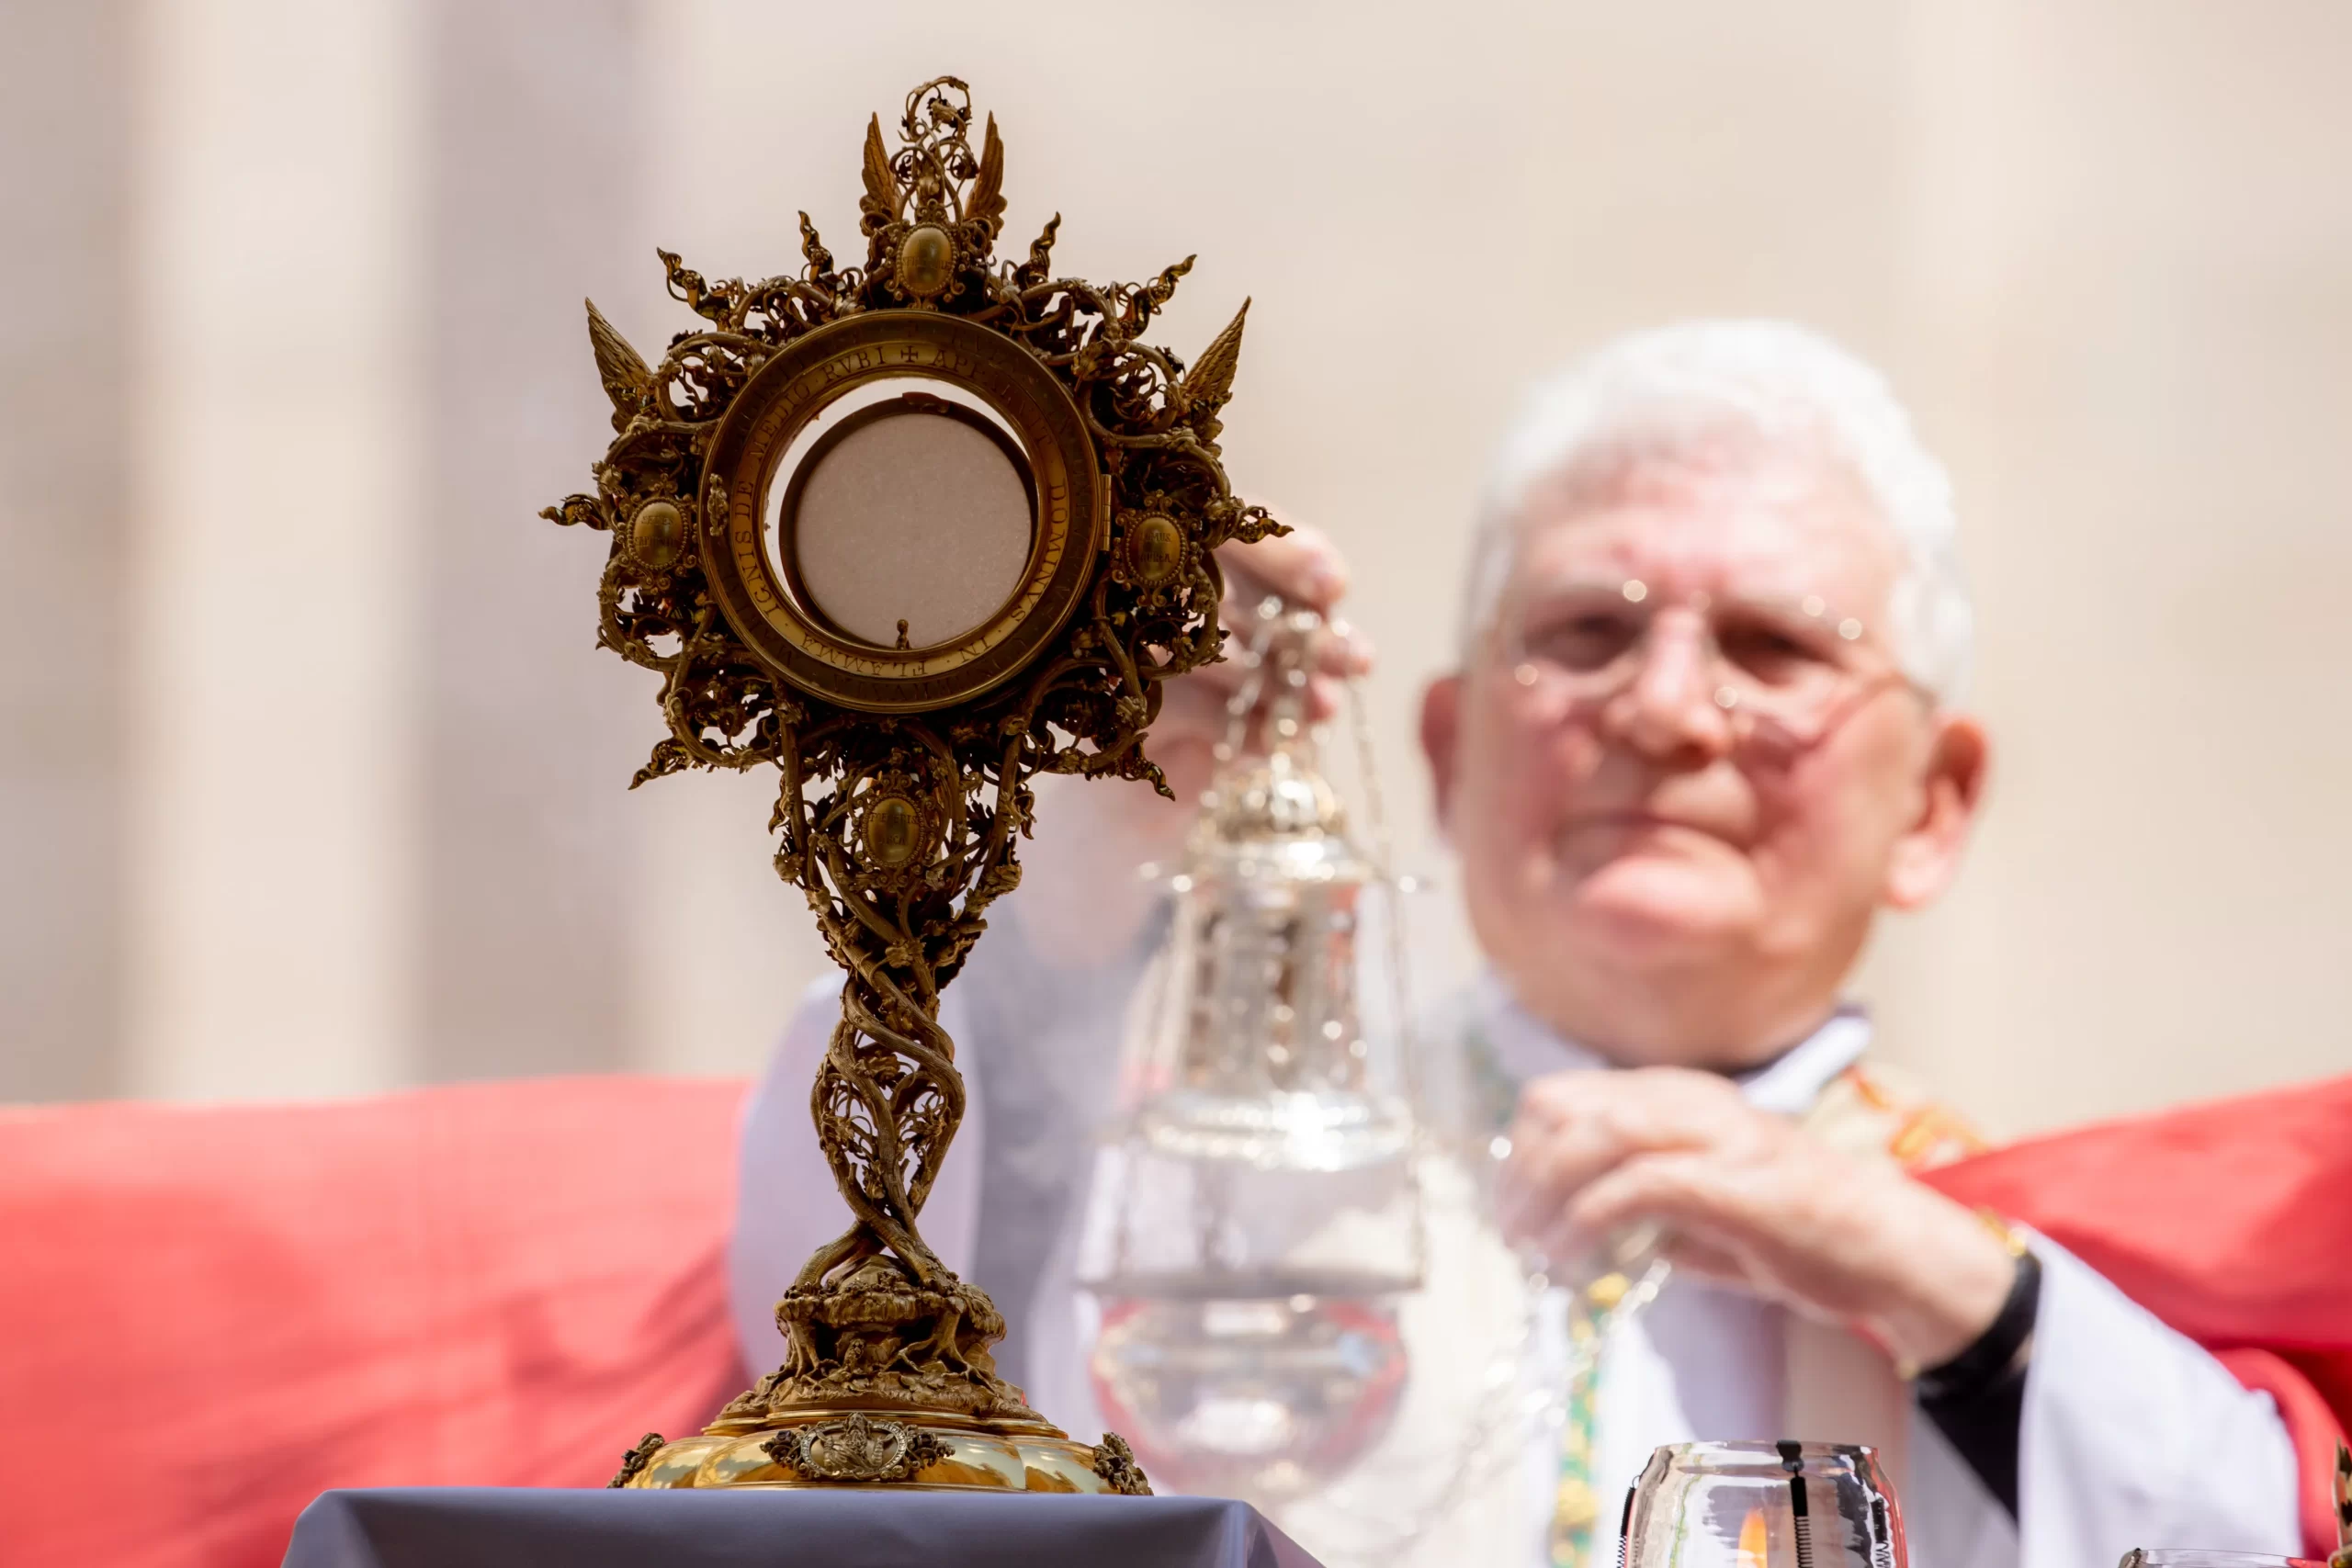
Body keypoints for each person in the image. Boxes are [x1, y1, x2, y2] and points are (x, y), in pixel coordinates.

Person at [729, 321, 2307, 1568]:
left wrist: (1932, 1285)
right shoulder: (1177, 1144)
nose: (1668, 711)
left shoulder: (2003, 1270)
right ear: (1446, 752)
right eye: (1584, 635)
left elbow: (2246, 1532)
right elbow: (854, 1351)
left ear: (1936, 802)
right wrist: (1083, 841)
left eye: (1770, 645)